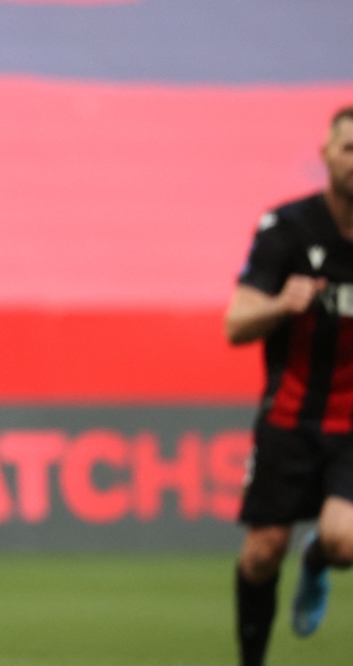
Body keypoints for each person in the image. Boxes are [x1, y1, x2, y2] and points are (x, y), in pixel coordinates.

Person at [226, 105, 353, 666]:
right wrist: (281, 304)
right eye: (348, 148)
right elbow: (236, 323)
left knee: (343, 541)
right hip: (290, 414)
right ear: (325, 154)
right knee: (262, 553)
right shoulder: (287, 228)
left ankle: (319, 558)